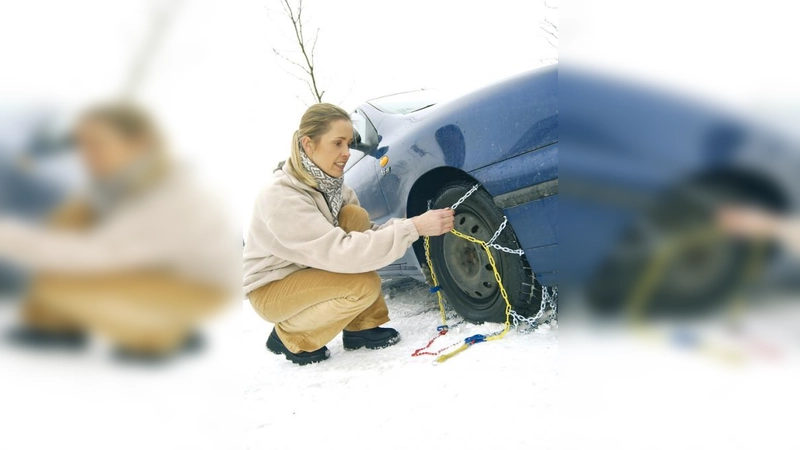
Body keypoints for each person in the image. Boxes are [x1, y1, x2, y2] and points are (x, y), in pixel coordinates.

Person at [0, 103, 237, 361]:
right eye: (82, 144)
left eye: (97, 143)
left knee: (53, 286)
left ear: (140, 143)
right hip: (148, 268)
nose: (86, 154)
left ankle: (163, 328)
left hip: (197, 287)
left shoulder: (170, 195)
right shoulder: (114, 184)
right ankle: (56, 323)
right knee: (71, 218)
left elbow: (97, 254)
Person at [243, 103, 455, 365]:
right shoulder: (281, 197)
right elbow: (341, 252)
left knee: (354, 216)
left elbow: (368, 234)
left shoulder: (336, 189)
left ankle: (362, 327)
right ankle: (290, 335)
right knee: (362, 287)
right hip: (275, 287)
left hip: (311, 268)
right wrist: (415, 227)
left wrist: (412, 225)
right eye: (338, 143)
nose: (347, 153)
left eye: (349, 144)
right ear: (308, 145)